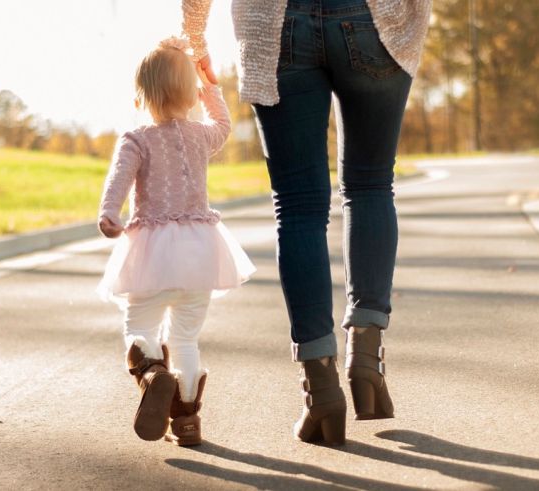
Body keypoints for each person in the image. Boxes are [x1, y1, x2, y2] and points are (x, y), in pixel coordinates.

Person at [182, 0, 430, 445]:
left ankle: (321, 391)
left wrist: (195, 37)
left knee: (298, 207)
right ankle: (367, 362)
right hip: (375, 20)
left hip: (276, 28)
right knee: (371, 185)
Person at [96, 36, 255, 446]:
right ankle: (186, 422)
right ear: (191, 94)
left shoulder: (137, 138)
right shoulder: (202, 135)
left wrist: (110, 214)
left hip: (151, 254)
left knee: (139, 325)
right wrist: (211, 87)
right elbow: (223, 125)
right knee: (185, 338)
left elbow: (119, 181)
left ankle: (152, 375)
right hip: (200, 253)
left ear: (141, 93)